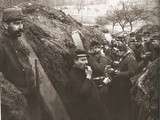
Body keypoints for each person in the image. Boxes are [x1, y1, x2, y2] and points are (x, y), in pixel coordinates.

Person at [0, 7, 41, 120]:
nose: (21, 27)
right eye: (17, 24)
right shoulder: (2, 45)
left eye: (22, 23)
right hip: (17, 101)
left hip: (31, 94)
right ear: (5, 25)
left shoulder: (18, 41)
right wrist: (15, 94)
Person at [67, 49, 108, 120]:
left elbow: (91, 87)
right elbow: (83, 93)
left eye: (86, 59)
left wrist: (103, 83)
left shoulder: (84, 71)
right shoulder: (73, 75)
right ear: (75, 61)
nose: (86, 62)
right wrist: (88, 76)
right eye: (82, 60)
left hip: (97, 107)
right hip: (90, 112)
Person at [108, 43, 138, 120]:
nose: (117, 53)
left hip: (126, 84)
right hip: (122, 83)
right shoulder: (125, 57)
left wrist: (119, 73)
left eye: (118, 51)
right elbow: (123, 68)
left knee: (126, 102)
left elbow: (132, 72)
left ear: (123, 51)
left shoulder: (130, 58)